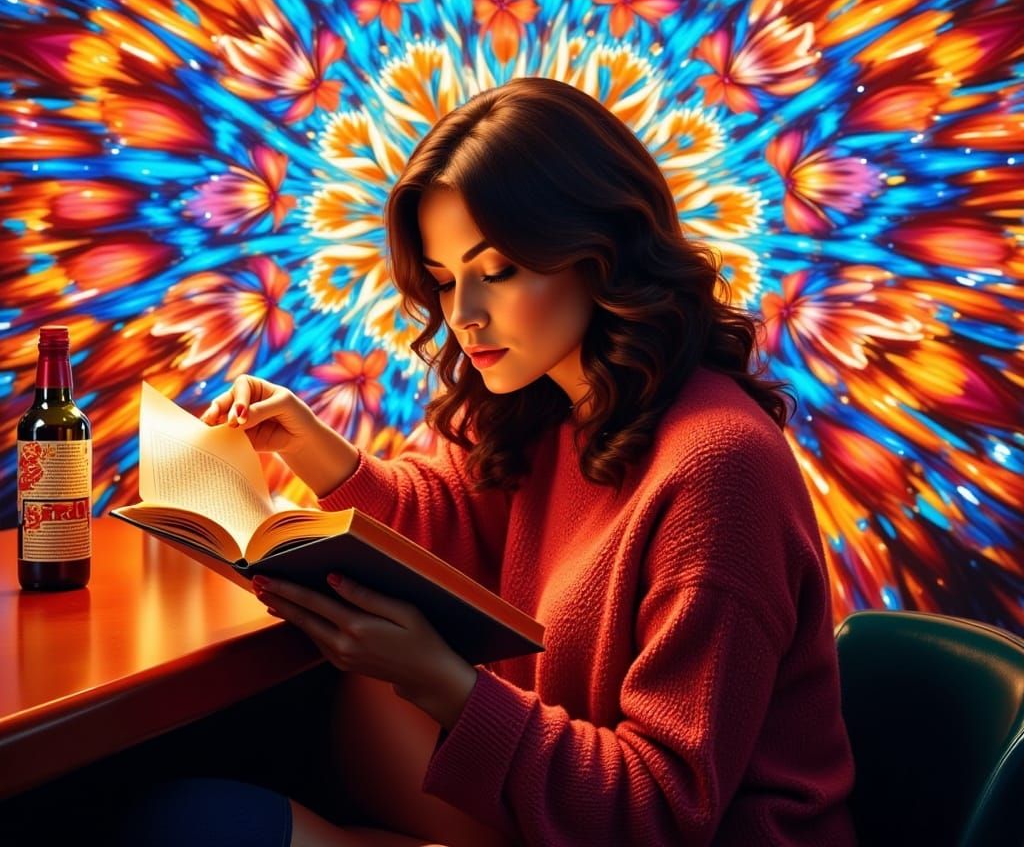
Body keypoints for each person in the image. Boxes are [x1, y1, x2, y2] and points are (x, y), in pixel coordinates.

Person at [118, 77, 857, 846]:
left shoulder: (718, 469)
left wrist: (443, 683)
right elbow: (450, 530)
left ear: (600, 251)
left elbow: (663, 811)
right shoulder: (556, 408)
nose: (463, 315)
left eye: (496, 271)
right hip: (554, 815)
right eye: (443, 281)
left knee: (198, 821)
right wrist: (319, 451)